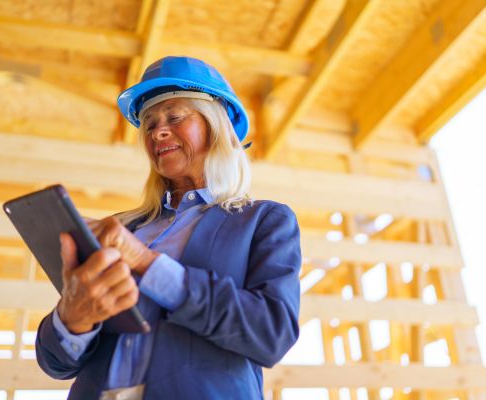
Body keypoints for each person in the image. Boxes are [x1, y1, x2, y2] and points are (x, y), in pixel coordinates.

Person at [36, 56, 301, 400]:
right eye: (149, 124)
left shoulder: (263, 221)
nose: (157, 131)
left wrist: (146, 263)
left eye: (174, 117)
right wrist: (72, 320)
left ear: (215, 127)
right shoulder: (122, 227)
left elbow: (271, 333)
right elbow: (55, 364)